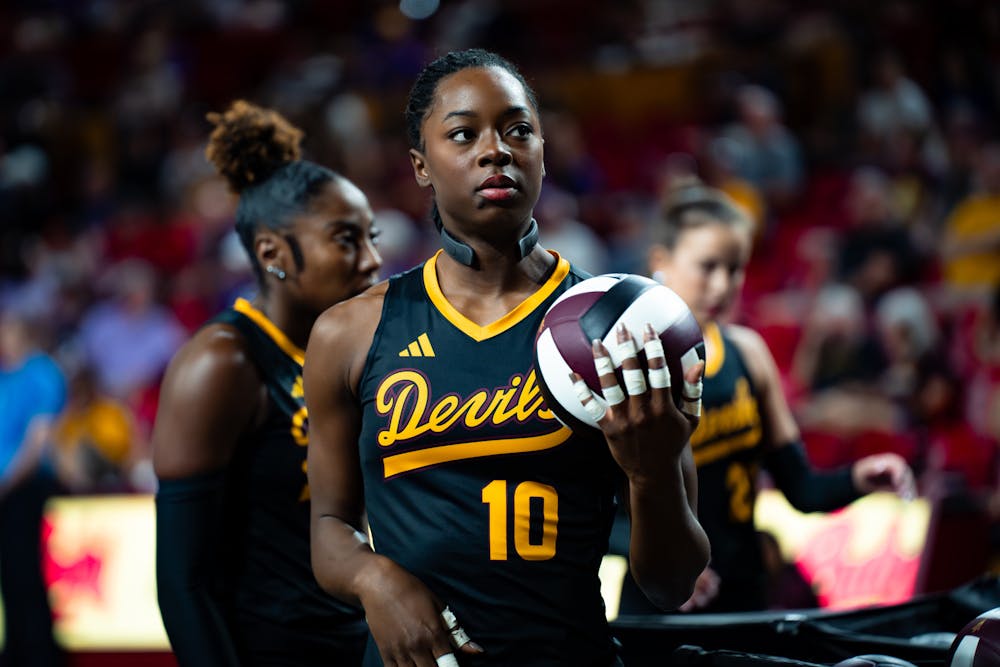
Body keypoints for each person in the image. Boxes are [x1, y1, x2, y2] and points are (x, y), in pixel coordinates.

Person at [304, 48, 710, 667]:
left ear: (543, 152)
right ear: (420, 165)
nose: (496, 150)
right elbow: (331, 526)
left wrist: (652, 475)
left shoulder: (627, 326)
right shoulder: (348, 332)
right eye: (463, 134)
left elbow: (671, 584)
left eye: (519, 130)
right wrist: (374, 580)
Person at [151, 100, 382, 666]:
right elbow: (184, 585)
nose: (372, 259)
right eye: (346, 239)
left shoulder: (343, 350)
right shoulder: (221, 362)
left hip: (352, 644)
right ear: (272, 253)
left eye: (371, 237)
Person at [642, 182, 916, 613]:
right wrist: (667, 562)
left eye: (735, 268)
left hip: (743, 594)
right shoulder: (636, 365)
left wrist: (859, 478)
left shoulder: (749, 353)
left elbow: (801, 488)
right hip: (663, 603)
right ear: (661, 262)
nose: (723, 285)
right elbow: (601, 507)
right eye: (708, 266)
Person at [0, 310, 67, 667]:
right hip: (7, 489)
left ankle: (40, 654)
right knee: (9, 575)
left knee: (24, 570)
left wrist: (7, 483)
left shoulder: (40, 372)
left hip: (24, 488)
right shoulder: (6, 376)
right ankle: (17, 650)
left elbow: (37, 442)